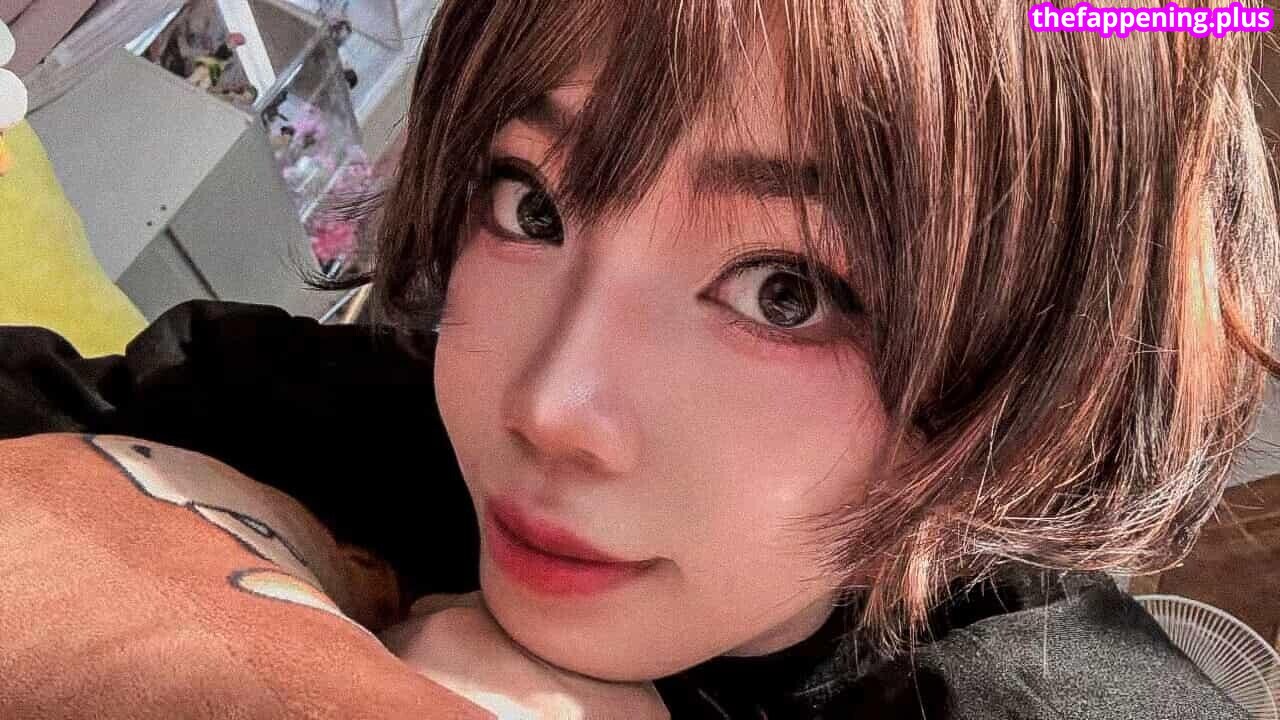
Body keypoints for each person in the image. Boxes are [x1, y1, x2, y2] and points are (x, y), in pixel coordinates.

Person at [2, 1, 1278, 717]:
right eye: (532, 206)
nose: (548, 406)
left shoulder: (1048, 699)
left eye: (785, 291)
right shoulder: (351, 411)